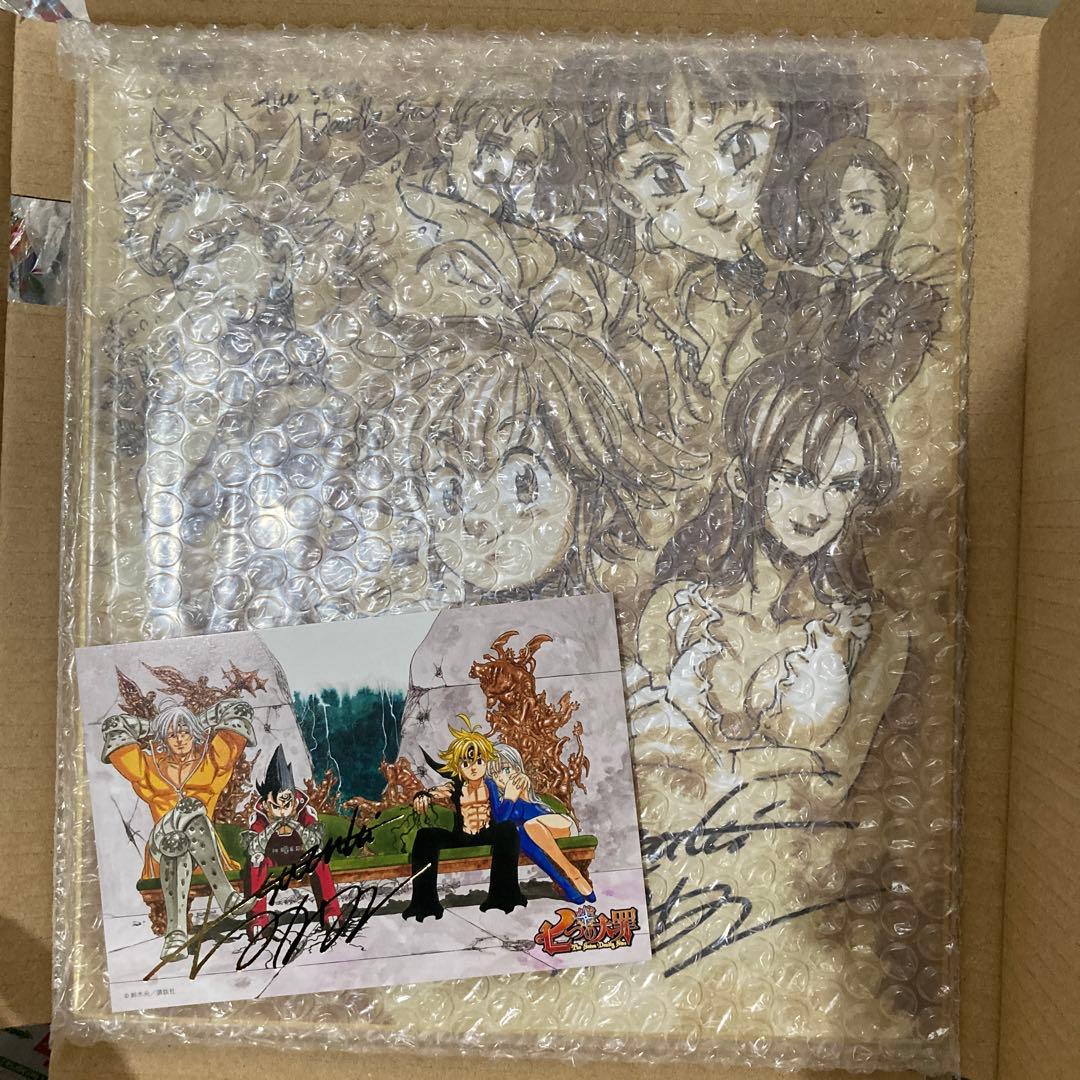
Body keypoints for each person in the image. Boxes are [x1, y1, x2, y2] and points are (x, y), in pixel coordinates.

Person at [101, 697, 255, 960]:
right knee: (186, 817)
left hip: (204, 852)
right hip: (159, 849)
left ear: (194, 733)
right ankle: (225, 895)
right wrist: (156, 725)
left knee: (184, 837)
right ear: (163, 738)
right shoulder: (148, 767)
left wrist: (195, 720)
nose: (180, 739)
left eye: (185, 732)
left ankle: (175, 936)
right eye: (172, 734)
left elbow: (240, 710)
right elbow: (113, 726)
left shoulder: (212, 761)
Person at [402, 716, 526, 922]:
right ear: (459, 766)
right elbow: (435, 792)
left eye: (478, 761)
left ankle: (504, 895)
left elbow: (514, 797)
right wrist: (422, 796)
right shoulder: (456, 785)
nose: (473, 767)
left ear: (486, 761)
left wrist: (515, 791)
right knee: (425, 836)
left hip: (488, 833)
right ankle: (424, 903)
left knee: (508, 830)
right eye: (467, 763)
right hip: (462, 837)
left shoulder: (493, 784)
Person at [242, 744, 342, 939]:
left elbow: (315, 842)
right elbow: (253, 847)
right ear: (266, 804)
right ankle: (258, 920)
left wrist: (296, 825)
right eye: (275, 806)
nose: (282, 811)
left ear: (294, 801)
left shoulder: (305, 810)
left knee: (318, 858)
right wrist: (271, 828)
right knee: (256, 862)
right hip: (272, 858)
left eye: (286, 805)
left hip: (299, 855)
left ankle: (331, 912)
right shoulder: (259, 817)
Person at [489, 743, 595, 904]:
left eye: (507, 769)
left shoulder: (521, 784)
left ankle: (570, 872)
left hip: (559, 825)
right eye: (496, 774)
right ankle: (566, 882)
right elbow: (500, 821)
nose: (502, 777)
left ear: (517, 768)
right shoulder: (502, 799)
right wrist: (508, 797)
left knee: (528, 826)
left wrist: (517, 794)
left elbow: (533, 811)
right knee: (522, 833)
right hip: (536, 834)